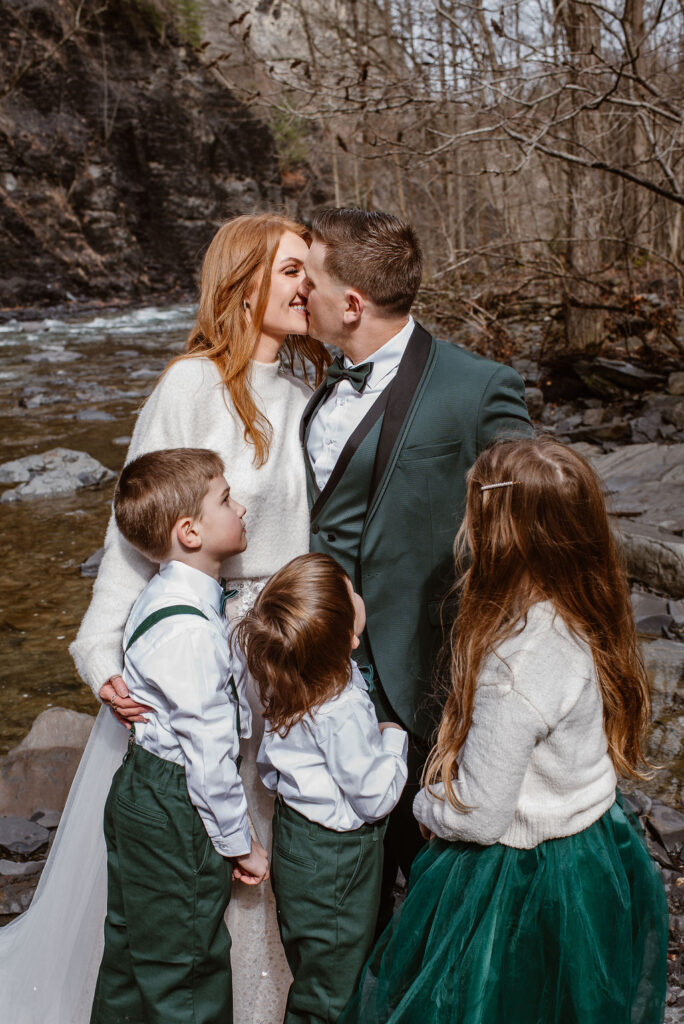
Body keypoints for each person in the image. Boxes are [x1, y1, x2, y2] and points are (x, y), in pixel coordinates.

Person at [0, 213, 328, 1024]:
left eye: (308, 270)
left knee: (269, 833)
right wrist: (100, 644)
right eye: (289, 270)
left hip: (286, 650)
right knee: (204, 839)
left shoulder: (307, 386)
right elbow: (135, 525)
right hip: (206, 654)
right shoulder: (190, 384)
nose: (305, 285)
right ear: (243, 279)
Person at [341, 437, 669, 1024]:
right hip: (596, 845)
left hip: (522, 878)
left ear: (498, 534)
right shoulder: (584, 610)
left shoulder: (514, 668)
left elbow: (482, 816)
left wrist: (427, 802)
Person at [299, 207, 534, 920]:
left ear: (350, 302)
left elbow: (527, 532)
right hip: (323, 668)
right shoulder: (317, 380)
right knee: (344, 887)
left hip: (426, 671)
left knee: (439, 885)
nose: (296, 293)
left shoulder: (478, 386)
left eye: (307, 279)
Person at [91, 448, 270, 1024]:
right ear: (189, 531)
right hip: (174, 806)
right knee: (187, 967)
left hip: (138, 789)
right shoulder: (192, 632)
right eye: (225, 498)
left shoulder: (165, 595)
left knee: (128, 947)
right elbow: (209, 759)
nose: (240, 506)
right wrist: (240, 843)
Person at [235, 552, 408, 1024]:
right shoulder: (340, 708)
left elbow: (270, 769)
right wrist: (394, 743)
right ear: (349, 639)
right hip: (338, 859)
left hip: (296, 839)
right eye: (352, 592)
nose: (358, 593)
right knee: (331, 992)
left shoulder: (285, 676)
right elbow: (375, 798)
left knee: (315, 965)